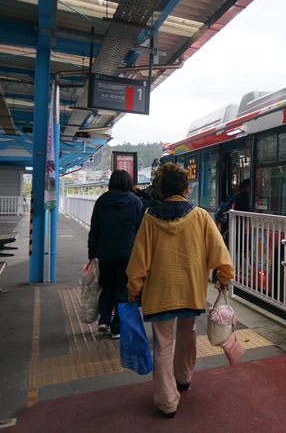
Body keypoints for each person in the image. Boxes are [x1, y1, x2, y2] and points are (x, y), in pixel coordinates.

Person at [125, 163, 234, 418]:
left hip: (159, 293)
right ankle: (183, 378)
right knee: (188, 331)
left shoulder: (150, 218)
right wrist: (224, 276)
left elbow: (139, 260)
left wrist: (134, 287)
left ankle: (167, 402)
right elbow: (220, 253)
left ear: (160, 190)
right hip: (190, 290)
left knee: (163, 344)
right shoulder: (200, 216)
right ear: (186, 189)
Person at [88, 169, 143, 339]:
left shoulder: (102, 201)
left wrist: (92, 253)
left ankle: (104, 320)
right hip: (128, 253)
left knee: (107, 287)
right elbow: (140, 229)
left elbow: (95, 229)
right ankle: (116, 328)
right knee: (122, 289)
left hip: (106, 252)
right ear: (128, 183)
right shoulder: (135, 201)